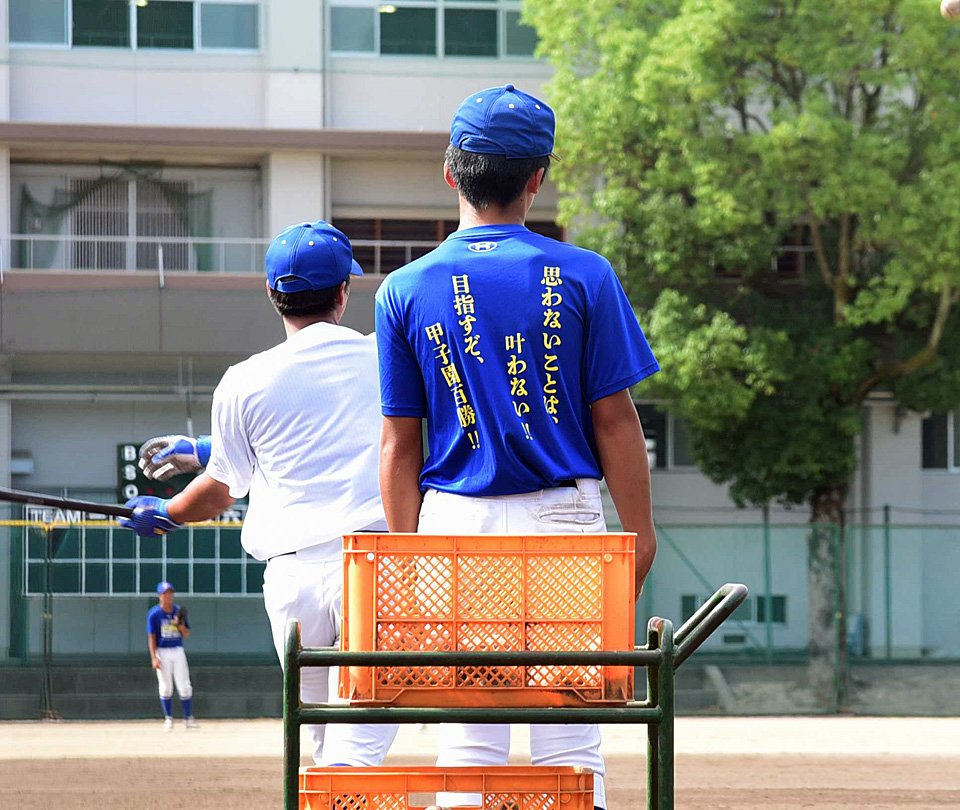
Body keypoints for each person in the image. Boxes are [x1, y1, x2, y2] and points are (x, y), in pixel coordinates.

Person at [374, 84, 659, 809]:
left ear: (450, 173)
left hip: (454, 528)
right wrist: (641, 531)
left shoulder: (403, 289)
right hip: (564, 525)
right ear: (539, 177)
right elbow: (616, 422)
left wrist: (408, 559)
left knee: (469, 734)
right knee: (572, 733)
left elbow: (398, 445)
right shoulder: (585, 274)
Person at [121, 220, 398, 766]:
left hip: (293, 579)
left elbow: (223, 490)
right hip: (374, 567)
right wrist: (204, 452)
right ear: (344, 291)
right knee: (362, 733)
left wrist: (169, 511)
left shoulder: (243, 380)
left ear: (273, 296)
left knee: (315, 740)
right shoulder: (384, 356)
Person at [147, 580, 198, 731]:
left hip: (177, 649)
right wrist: (154, 657)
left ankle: (188, 718)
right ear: (159, 596)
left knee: (184, 685)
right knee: (165, 686)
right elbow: (151, 636)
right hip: (162, 650)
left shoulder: (178, 611)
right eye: (165, 594)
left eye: (170, 593)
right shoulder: (154, 614)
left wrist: (179, 624)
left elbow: (187, 634)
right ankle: (168, 718)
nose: (168, 596)